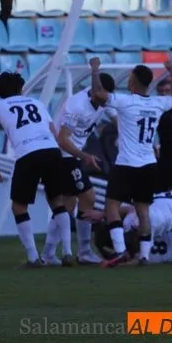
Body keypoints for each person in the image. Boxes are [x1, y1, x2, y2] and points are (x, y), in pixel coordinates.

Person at [90, 57, 172, 266]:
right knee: (143, 211)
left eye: (130, 77)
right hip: (148, 164)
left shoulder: (126, 101)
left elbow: (98, 94)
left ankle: (121, 251)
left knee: (111, 207)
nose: (128, 81)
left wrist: (94, 70)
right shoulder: (158, 103)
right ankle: (144, 256)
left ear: (134, 81)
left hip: (126, 164)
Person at [0, 72, 71, 267]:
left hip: (27, 153)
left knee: (19, 206)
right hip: (52, 150)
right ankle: (67, 252)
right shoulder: (37, 103)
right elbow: (53, 132)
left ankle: (33, 257)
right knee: (57, 201)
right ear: (21, 88)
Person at [41, 72, 117, 265]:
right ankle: (82, 251)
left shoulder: (103, 100)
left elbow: (118, 120)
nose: (107, 100)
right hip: (63, 155)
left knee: (68, 204)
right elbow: (62, 139)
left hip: (72, 156)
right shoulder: (76, 105)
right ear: (96, 90)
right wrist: (85, 156)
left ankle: (51, 253)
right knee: (87, 197)